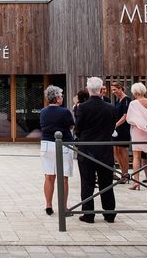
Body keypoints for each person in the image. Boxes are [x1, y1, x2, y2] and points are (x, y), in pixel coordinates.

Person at [74, 76, 117, 224]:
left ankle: (89, 214)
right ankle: (110, 213)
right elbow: (112, 127)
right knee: (107, 183)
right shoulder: (111, 107)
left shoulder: (82, 108)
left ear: (88, 89)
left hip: (87, 150)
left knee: (87, 182)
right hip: (105, 150)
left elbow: (78, 129)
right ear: (100, 89)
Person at [39, 85, 74, 215]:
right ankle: (63, 207)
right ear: (57, 98)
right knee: (63, 177)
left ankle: (48, 204)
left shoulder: (43, 111)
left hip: (47, 143)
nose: (62, 98)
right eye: (61, 96)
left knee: (49, 176)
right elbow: (70, 125)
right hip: (63, 144)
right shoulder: (64, 112)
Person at [110, 82, 131, 184]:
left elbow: (125, 116)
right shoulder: (117, 100)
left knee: (123, 151)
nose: (113, 92)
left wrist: (116, 125)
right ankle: (123, 173)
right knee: (116, 151)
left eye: (115, 89)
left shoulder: (127, 99)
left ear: (120, 88)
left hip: (123, 128)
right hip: (116, 128)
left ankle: (126, 174)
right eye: (112, 90)